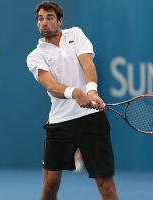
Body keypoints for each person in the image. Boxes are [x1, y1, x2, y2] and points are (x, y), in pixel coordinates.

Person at [26, 1, 119, 200]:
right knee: (50, 185)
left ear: (60, 21)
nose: (44, 22)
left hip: (91, 120)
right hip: (60, 123)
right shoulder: (35, 56)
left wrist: (91, 91)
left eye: (50, 18)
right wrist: (75, 92)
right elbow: (51, 85)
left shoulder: (75, 34)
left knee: (106, 185)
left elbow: (87, 63)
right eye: (40, 18)